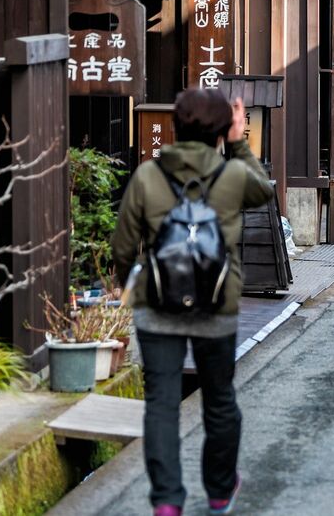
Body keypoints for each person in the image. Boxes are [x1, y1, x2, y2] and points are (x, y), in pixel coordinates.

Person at [112, 88, 273, 516]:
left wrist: (123, 282)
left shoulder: (148, 175)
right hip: (216, 307)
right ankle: (219, 491)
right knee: (219, 398)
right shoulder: (233, 176)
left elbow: (123, 246)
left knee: (161, 403)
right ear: (222, 130)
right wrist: (240, 142)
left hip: (158, 306)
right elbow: (264, 192)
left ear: (174, 127)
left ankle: (167, 502)